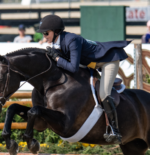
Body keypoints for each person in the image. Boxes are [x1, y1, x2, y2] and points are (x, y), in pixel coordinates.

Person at [37, 15, 130, 143]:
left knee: (103, 93)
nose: (44, 37)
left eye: (46, 33)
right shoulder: (56, 42)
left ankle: (114, 130)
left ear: (56, 31)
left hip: (107, 61)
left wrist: (58, 59)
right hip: (90, 64)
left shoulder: (71, 40)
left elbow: (73, 68)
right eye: (43, 33)